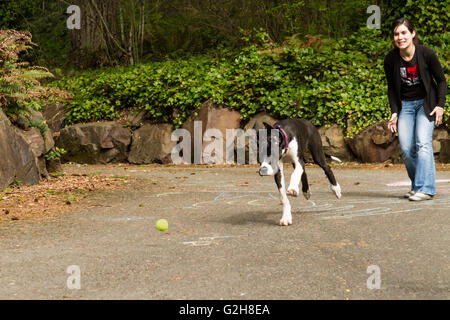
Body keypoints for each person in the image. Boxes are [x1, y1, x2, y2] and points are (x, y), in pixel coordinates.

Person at [384, 18, 447, 201]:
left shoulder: (426, 53)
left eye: (403, 32)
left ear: (413, 33)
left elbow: (441, 81)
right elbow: (392, 88)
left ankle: (426, 189)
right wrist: (394, 111)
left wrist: (440, 105)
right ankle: (417, 185)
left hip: (426, 104)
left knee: (423, 143)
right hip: (406, 105)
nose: (400, 37)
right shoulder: (391, 59)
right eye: (396, 34)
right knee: (405, 147)